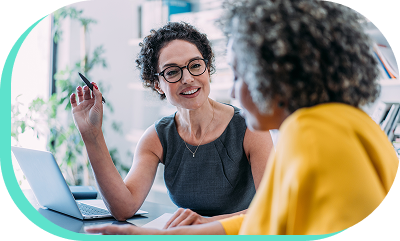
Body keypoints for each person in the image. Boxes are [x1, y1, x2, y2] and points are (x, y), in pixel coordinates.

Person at [85, 0, 399, 235]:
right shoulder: (338, 122)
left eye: (238, 75)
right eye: (172, 72)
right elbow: (267, 219)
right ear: (158, 83)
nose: (234, 94)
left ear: (274, 74)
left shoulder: (313, 134)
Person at [70, 21, 273, 225]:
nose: (187, 78)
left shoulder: (250, 127)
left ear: (208, 68)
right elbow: (123, 208)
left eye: (195, 66)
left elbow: (272, 208)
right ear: (157, 85)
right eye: (172, 72)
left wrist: (205, 225)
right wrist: (92, 134)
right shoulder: (156, 138)